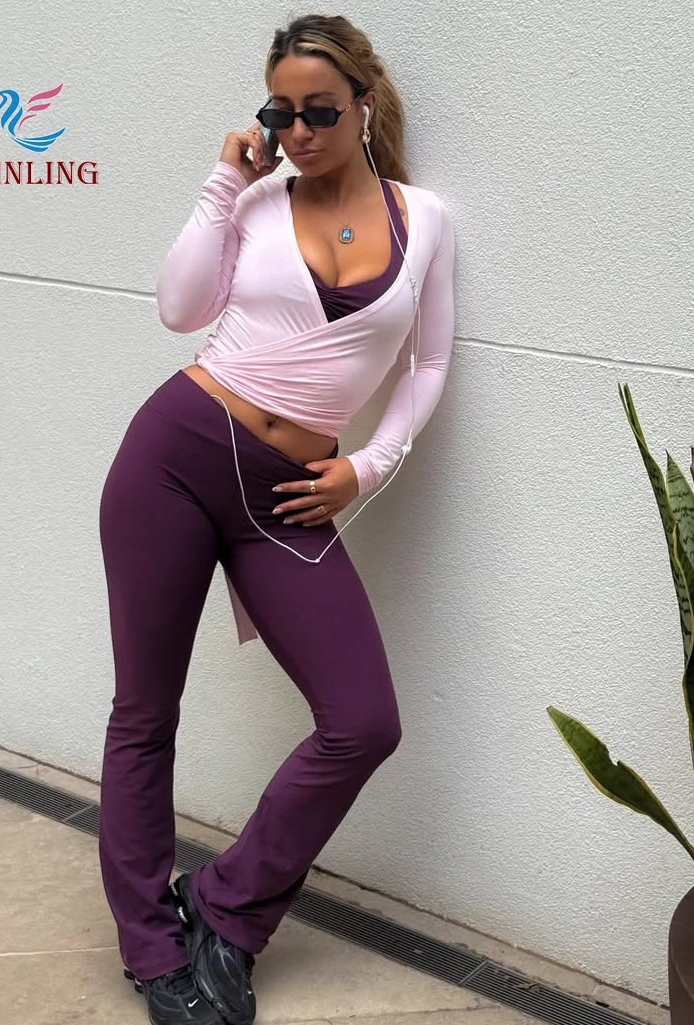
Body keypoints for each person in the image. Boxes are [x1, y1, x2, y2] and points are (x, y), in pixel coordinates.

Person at [98, 13, 456, 1025]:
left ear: (364, 107)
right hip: (176, 456)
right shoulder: (255, 200)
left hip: (289, 496)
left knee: (363, 721)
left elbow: (428, 360)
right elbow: (179, 308)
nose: (297, 132)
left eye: (319, 112)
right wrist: (224, 181)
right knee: (145, 713)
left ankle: (224, 908)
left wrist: (368, 465)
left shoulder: (425, 220)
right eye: (280, 112)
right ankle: (152, 947)